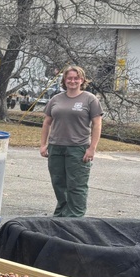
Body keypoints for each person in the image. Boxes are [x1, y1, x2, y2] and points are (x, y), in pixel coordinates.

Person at [39, 64, 103, 218]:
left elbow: (97, 124)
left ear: (82, 80)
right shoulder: (56, 99)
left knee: (76, 185)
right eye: (69, 78)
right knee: (59, 184)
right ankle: (61, 214)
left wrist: (92, 148)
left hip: (78, 148)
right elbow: (47, 122)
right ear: (64, 80)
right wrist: (43, 144)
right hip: (56, 147)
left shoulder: (89, 99)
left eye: (76, 78)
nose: (72, 81)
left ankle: (75, 218)